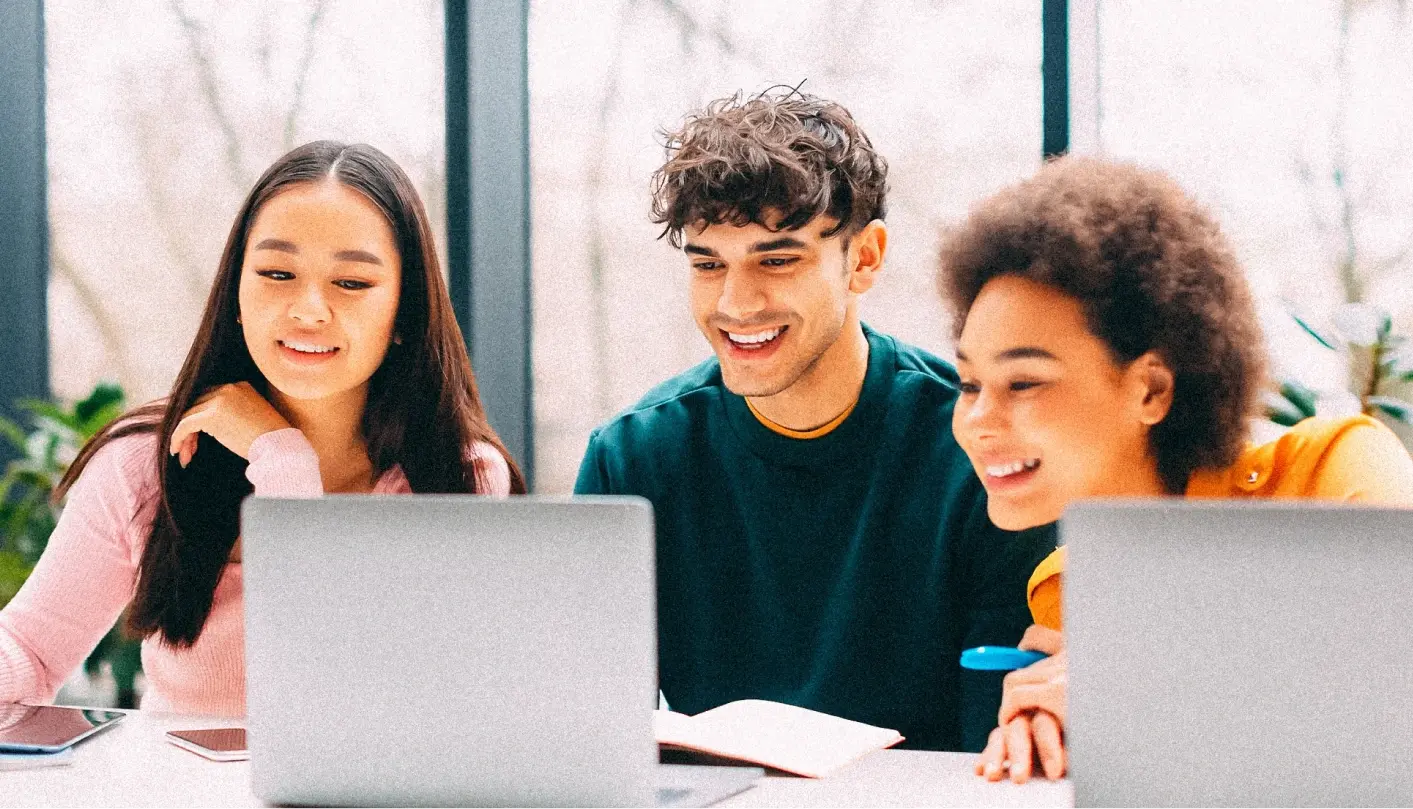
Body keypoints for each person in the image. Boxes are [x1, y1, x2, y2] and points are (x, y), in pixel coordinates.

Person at [574, 89, 1056, 752]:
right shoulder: (632, 459)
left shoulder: (980, 446)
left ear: (863, 259)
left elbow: (1000, 744)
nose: (736, 303)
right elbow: (588, 736)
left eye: (776, 260)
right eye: (708, 264)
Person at [0, 141, 523, 716]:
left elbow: (340, 694)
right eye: (276, 273)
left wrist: (281, 458)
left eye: (351, 283)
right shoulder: (144, 465)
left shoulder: (455, 476)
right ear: (237, 296)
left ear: (404, 314)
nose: (307, 309)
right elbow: (30, 651)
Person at [934, 155, 1413, 781]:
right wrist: (1045, 731)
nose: (977, 419)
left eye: (1023, 381)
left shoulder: (1335, 470)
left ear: (1152, 390)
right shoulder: (1068, 585)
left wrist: (1141, 693)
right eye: (970, 383)